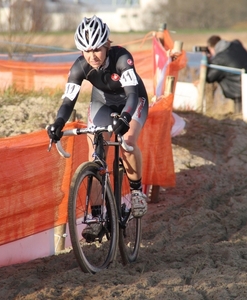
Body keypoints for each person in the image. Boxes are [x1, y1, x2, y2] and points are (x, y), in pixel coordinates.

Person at [47, 15, 148, 241]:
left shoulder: (122, 58)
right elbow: (68, 101)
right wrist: (58, 123)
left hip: (133, 100)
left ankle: (136, 191)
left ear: (106, 45)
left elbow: (132, 94)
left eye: (96, 49)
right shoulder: (80, 66)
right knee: (96, 154)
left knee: (128, 141)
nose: (92, 56)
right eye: (86, 50)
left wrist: (125, 118)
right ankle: (95, 216)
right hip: (102, 101)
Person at [206, 35, 247, 113]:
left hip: (239, 91)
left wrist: (208, 61)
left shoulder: (220, 58)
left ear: (212, 47)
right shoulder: (236, 45)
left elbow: (209, 78)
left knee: (240, 115)